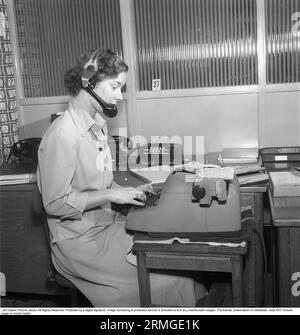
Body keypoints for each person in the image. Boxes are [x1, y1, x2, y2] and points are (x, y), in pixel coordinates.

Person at [37, 49, 207, 307]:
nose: (119, 95)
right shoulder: (62, 135)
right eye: (115, 86)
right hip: (80, 242)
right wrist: (110, 194)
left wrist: (133, 190)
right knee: (173, 278)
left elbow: (101, 183)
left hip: (108, 225)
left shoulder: (97, 125)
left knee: (179, 262)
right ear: (88, 81)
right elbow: (54, 203)